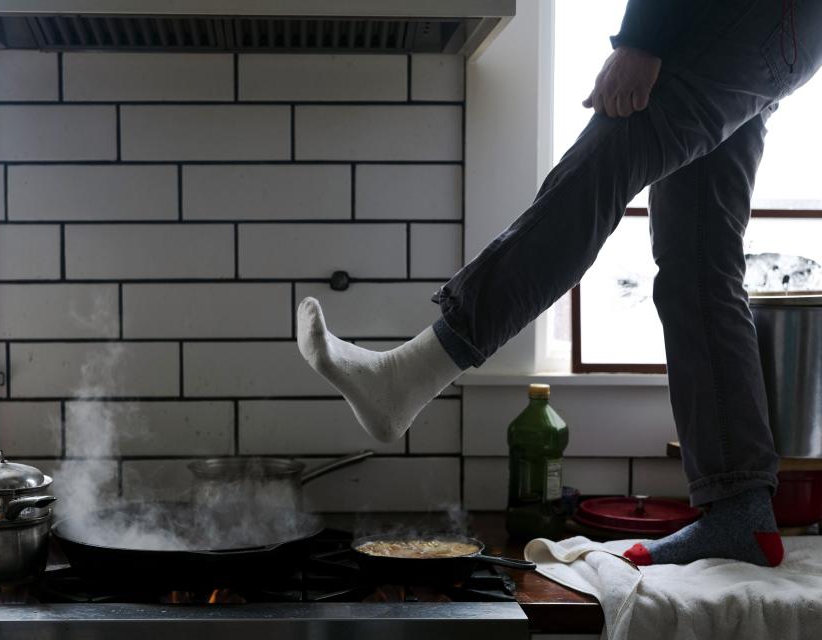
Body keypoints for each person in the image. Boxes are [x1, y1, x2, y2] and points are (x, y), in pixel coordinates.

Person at [296, 0, 822, 567]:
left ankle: (410, 375)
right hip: (788, 27)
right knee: (699, 257)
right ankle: (742, 513)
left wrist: (642, 37)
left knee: (603, 162)